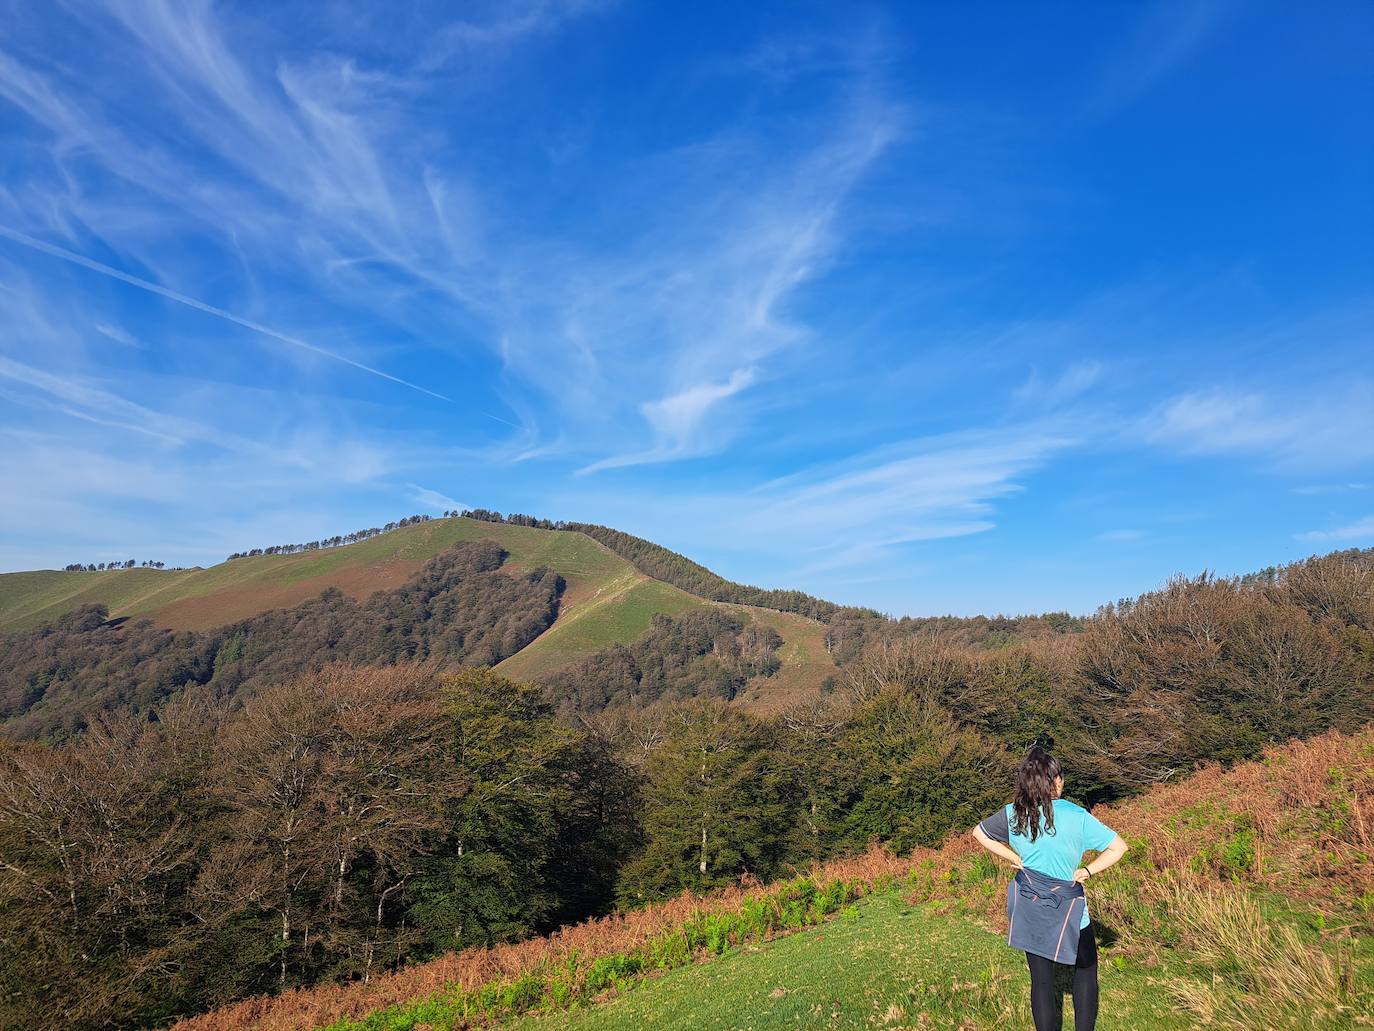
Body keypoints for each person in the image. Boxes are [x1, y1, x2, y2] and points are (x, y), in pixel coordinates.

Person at [971, 747, 1129, 1031]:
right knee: (1085, 970)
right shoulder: (1076, 815)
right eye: (1060, 776)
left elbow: (979, 833)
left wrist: (1015, 858)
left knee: (1041, 981)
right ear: (1055, 780)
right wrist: (1088, 870)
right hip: (1070, 909)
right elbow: (1119, 847)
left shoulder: (1014, 813)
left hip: (1030, 904)